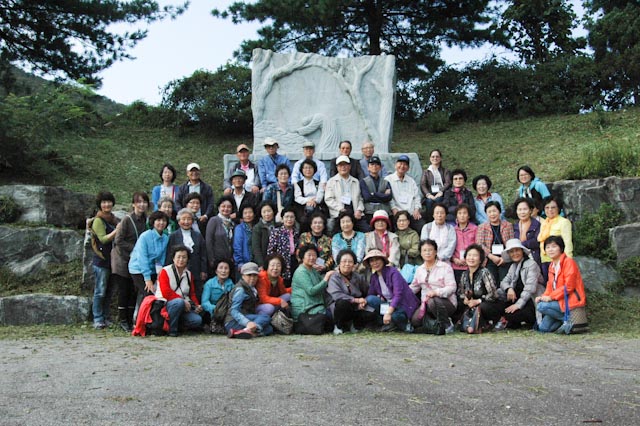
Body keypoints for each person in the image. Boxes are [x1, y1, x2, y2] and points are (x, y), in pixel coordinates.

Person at [111, 191, 148, 332]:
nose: (141, 205)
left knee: (134, 290)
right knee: (124, 290)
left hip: (137, 261)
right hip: (123, 259)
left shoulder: (146, 220)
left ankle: (131, 318)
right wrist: (136, 249)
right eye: (139, 202)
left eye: (144, 202)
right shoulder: (127, 220)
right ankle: (122, 320)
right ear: (133, 204)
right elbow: (118, 240)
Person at [535, 236, 586, 334]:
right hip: (558, 301)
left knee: (541, 306)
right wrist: (543, 296)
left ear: (561, 248)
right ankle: (563, 320)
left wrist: (551, 297)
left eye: (554, 246)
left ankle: (569, 320)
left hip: (570, 301)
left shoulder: (568, 262)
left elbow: (569, 287)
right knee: (543, 328)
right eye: (548, 247)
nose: (550, 250)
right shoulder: (552, 265)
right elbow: (550, 286)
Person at [364, 249, 418, 332]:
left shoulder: (393, 272)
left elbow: (398, 295)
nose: (375, 263)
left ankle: (403, 324)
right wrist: (362, 302)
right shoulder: (374, 277)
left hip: (402, 304)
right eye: (372, 261)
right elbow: (371, 294)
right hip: (388, 304)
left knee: (396, 316)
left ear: (383, 260)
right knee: (370, 299)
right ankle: (390, 324)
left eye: (377, 259)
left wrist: (388, 313)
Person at [409, 240, 457, 334]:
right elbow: (414, 287)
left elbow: (452, 287)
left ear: (435, 252)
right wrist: (400, 292)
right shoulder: (419, 270)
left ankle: (447, 324)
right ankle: (435, 324)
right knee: (415, 321)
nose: (427, 253)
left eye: (430, 250)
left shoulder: (445, 267)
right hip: (425, 303)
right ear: (421, 253)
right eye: (424, 250)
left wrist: (436, 292)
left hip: (446, 302)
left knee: (433, 301)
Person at [128, 210, 169, 320]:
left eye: (164, 221)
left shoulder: (165, 238)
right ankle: (138, 320)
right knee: (148, 294)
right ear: (153, 222)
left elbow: (161, 259)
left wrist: (159, 275)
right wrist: (147, 279)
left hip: (153, 270)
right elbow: (142, 258)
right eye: (158, 220)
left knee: (154, 294)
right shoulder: (145, 236)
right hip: (138, 269)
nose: (161, 223)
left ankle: (145, 320)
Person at [155, 245, 203, 337]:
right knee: (178, 302)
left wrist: (197, 305)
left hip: (184, 306)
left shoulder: (188, 274)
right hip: (166, 304)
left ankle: (178, 325)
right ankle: (172, 330)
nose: (181, 260)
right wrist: (183, 302)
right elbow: (166, 292)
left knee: (197, 320)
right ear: (173, 258)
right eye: (178, 257)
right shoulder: (165, 271)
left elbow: (191, 293)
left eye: (184, 257)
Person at [497, 239, 545, 330]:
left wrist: (518, 305)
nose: (515, 253)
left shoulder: (531, 264)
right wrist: (509, 289)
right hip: (519, 298)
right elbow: (503, 282)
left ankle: (524, 320)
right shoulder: (513, 266)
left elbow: (530, 289)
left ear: (522, 251)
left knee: (512, 315)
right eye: (511, 251)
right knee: (498, 304)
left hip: (532, 300)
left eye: (517, 250)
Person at [459, 244, 505, 333]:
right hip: (472, 305)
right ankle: (476, 324)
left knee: (482, 307)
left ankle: (492, 321)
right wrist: (465, 299)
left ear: (480, 259)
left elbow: (493, 294)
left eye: (475, 256)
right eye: (469, 255)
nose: (471, 258)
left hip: (488, 304)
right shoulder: (464, 275)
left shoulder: (485, 272)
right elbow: (460, 292)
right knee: (459, 305)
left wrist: (478, 301)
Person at [327, 249, 375, 334]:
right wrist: (356, 300)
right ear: (339, 263)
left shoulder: (358, 277)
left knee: (371, 313)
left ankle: (353, 325)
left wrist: (363, 302)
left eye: (350, 262)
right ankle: (338, 326)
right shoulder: (334, 277)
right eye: (344, 261)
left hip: (356, 307)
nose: (347, 264)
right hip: (340, 306)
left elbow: (367, 291)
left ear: (354, 264)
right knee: (342, 304)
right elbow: (337, 295)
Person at [90, 191, 119, 329]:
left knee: (109, 291)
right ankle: (97, 318)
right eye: (104, 202)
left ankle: (106, 317)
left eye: (109, 202)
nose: (107, 204)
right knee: (100, 291)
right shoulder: (98, 220)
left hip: (112, 261)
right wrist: (116, 231)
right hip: (101, 261)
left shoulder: (113, 219)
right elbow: (103, 239)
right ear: (99, 205)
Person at [165, 208, 207, 301]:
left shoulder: (198, 235)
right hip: (178, 270)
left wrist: (203, 270)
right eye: (183, 219)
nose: (186, 222)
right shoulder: (173, 236)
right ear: (179, 221)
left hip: (196, 269)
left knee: (196, 293)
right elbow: (169, 254)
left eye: (189, 219)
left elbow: (203, 254)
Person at [290, 244, 336, 328]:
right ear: (302, 257)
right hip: (304, 310)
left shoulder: (312, 269)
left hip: (314, 305)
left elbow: (322, 283)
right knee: (332, 316)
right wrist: (326, 277)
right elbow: (311, 291)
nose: (312, 258)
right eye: (309, 255)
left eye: (314, 255)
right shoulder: (301, 271)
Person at [225, 262, 274, 338]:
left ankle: (243, 332)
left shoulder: (252, 287)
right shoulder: (240, 289)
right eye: (249, 275)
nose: (252, 278)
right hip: (233, 321)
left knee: (269, 329)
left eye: (255, 275)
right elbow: (234, 311)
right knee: (265, 317)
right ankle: (248, 330)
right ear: (243, 275)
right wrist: (247, 323)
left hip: (245, 318)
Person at [325, 155, 368, 233]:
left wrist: (359, 210)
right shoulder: (331, 181)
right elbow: (328, 199)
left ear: (349, 167)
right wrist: (341, 209)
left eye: (345, 165)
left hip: (354, 211)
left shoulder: (355, 181)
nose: (343, 167)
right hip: (339, 212)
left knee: (367, 230)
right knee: (335, 233)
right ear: (337, 167)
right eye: (340, 165)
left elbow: (360, 199)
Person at [476, 201, 514, 284]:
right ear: (486, 213)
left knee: (505, 282)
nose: (492, 214)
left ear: (499, 211)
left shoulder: (508, 225)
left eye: (494, 211)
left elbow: (512, 243)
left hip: (505, 259)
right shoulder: (482, 227)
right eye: (489, 212)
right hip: (489, 259)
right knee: (491, 283)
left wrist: (505, 258)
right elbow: (480, 244)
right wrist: (491, 256)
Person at [386, 155, 424, 233]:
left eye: (405, 164)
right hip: (397, 212)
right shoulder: (388, 179)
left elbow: (417, 197)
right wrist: (393, 208)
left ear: (408, 168)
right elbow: (388, 197)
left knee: (422, 226)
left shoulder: (411, 181)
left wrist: (417, 209)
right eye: (400, 163)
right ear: (395, 165)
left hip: (411, 213)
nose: (402, 166)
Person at [538, 196, 573, 279]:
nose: (550, 210)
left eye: (553, 207)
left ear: (558, 208)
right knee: (548, 283)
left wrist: (568, 261)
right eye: (547, 207)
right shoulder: (544, 223)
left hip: (559, 260)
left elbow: (567, 242)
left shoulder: (564, 222)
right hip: (545, 259)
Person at [175, 163, 215, 233]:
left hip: (202, 220)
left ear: (199, 172)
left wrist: (206, 215)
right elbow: (177, 202)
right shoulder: (182, 188)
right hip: (186, 220)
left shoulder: (207, 188)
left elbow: (211, 203)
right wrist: (183, 215)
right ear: (187, 173)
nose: (194, 173)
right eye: (191, 171)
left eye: (196, 171)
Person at [266, 207, 300, 286]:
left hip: (293, 261)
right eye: (287, 217)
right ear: (282, 218)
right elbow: (271, 250)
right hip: (281, 262)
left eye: (291, 217)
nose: (289, 219)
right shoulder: (276, 232)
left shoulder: (296, 232)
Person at [293, 158, 327, 232]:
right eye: (305, 168)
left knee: (320, 219)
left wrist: (314, 201)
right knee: (303, 220)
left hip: (316, 206)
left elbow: (320, 196)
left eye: (310, 167)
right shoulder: (298, 184)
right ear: (302, 170)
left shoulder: (319, 183)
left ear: (314, 170)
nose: (308, 170)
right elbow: (297, 198)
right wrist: (308, 201)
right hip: (303, 207)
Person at [200, 259, 234, 332]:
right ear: (216, 271)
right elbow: (205, 302)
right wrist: (216, 309)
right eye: (221, 268)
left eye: (226, 268)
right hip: (212, 312)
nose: (223, 271)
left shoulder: (231, 284)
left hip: (227, 311)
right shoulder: (209, 284)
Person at [205, 196, 236, 274]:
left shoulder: (232, 223)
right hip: (216, 261)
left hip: (229, 261)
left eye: (229, 207)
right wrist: (211, 260)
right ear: (219, 208)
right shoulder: (214, 220)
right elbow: (209, 241)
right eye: (223, 206)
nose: (226, 209)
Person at [359, 154, 392, 225]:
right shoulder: (363, 181)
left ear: (380, 167)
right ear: (368, 167)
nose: (374, 166)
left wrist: (374, 194)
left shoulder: (386, 182)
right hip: (370, 212)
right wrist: (382, 195)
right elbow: (367, 197)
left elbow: (389, 197)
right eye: (372, 164)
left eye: (377, 164)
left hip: (384, 211)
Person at [420, 149, 452, 221]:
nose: (435, 158)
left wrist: (441, 191)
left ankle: (440, 220)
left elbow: (448, 182)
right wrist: (428, 194)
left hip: (442, 193)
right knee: (429, 201)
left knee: (438, 200)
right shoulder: (426, 172)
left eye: (437, 156)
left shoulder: (445, 171)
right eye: (433, 156)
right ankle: (429, 221)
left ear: (440, 158)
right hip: (430, 193)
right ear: (430, 158)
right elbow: (423, 184)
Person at [451, 204, 478, 284]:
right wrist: (454, 259)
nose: (462, 215)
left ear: (468, 216)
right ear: (456, 216)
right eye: (459, 213)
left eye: (464, 213)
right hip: (456, 265)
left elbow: (478, 246)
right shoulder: (452, 230)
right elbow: (449, 247)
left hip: (471, 264)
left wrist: (469, 259)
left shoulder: (475, 229)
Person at [513, 197, 542, 267]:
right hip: (517, 258)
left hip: (533, 257)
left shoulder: (537, 224)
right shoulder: (515, 226)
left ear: (530, 210)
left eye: (525, 209)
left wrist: (521, 245)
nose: (522, 212)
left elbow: (537, 241)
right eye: (519, 209)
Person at [251, 200, 279, 270]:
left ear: (273, 211)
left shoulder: (278, 226)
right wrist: (261, 264)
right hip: (264, 261)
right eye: (264, 212)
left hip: (277, 261)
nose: (267, 214)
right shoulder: (257, 228)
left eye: (269, 211)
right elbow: (256, 248)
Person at [233, 205, 255, 273]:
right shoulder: (239, 228)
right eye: (245, 213)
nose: (248, 215)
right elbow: (237, 246)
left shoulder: (256, 227)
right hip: (243, 263)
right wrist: (239, 262)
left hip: (255, 263)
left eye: (250, 212)